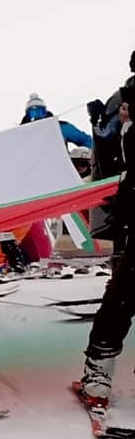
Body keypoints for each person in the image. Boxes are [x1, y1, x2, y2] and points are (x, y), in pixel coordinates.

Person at [76, 80, 135, 421]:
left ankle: (98, 374)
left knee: (123, 294)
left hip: (129, 212)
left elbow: (113, 155)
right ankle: (98, 374)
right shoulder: (122, 102)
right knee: (124, 292)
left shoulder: (124, 101)